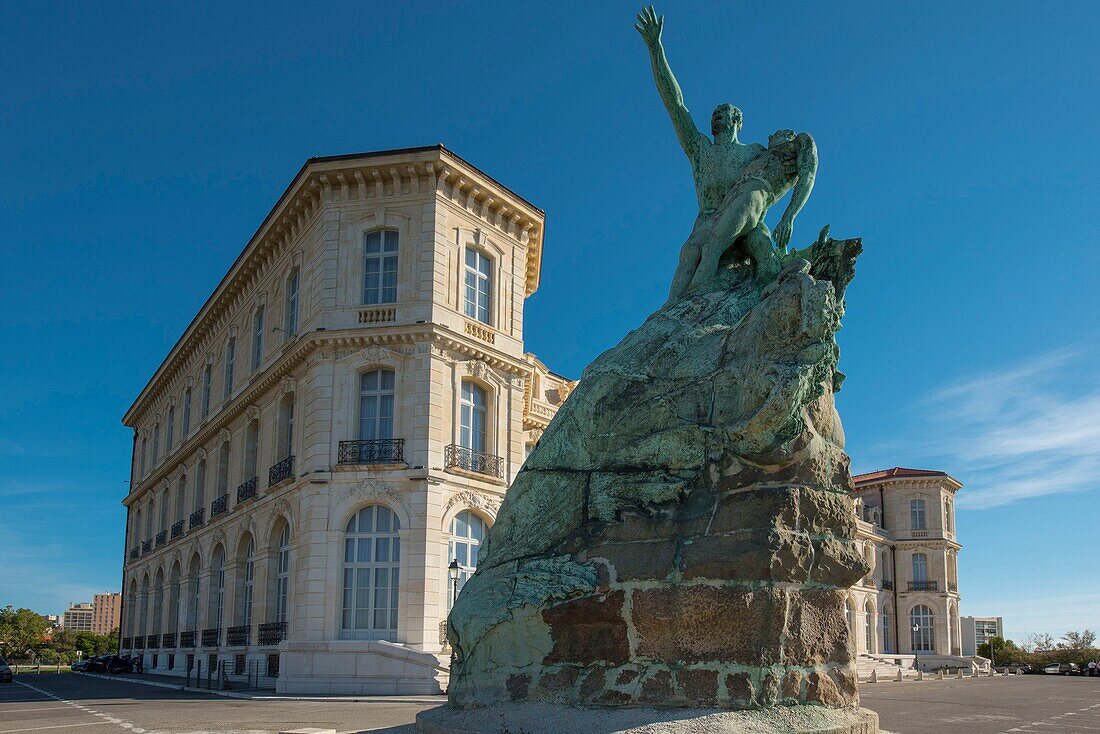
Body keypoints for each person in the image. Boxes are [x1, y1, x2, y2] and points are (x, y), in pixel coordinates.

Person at [635, 6, 818, 303]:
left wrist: (790, 216)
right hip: (707, 221)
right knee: (689, 253)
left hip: (745, 227)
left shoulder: (755, 152)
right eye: (714, 113)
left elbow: (786, 174)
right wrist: (656, 49)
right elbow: (675, 103)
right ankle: (671, 310)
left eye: (724, 112)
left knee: (757, 240)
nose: (716, 116)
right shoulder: (700, 150)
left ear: (738, 120)